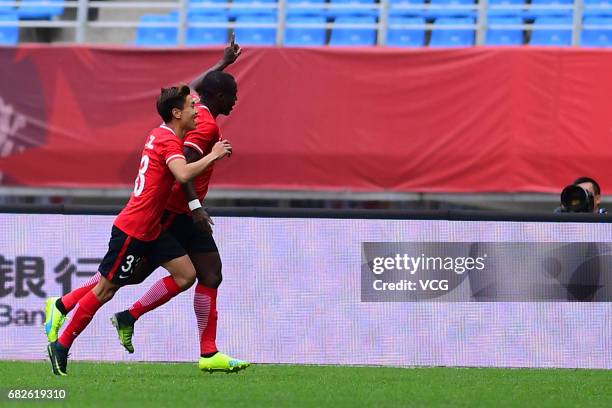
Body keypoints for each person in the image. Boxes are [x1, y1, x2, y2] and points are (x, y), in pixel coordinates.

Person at [45, 85, 233, 376]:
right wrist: (214, 155)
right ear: (176, 113)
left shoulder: (159, 134)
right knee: (106, 289)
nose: (196, 110)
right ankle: (63, 343)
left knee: (186, 275)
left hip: (153, 229)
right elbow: (183, 174)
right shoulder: (170, 142)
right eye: (190, 106)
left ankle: (122, 316)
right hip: (134, 230)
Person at [109, 70, 245, 373]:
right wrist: (196, 205)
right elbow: (181, 166)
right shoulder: (205, 124)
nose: (237, 99)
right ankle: (66, 304)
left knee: (210, 274)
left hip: (185, 213)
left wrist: (223, 62)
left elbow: (195, 87)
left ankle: (209, 354)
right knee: (126, 275)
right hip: (173, 213)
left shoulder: (198, 109)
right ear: (221, 96)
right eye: (234, 93)